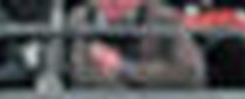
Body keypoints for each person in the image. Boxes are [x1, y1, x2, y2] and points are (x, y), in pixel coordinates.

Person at [66, 0, 206, 87]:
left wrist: (124, 67)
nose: (113, 1)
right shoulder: (80, 18)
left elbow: (191, 73)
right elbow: (78, 74)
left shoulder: (165, 19)